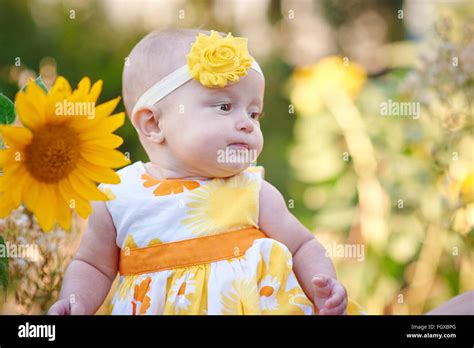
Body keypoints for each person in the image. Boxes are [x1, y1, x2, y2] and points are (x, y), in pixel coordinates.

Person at [48, 28, 364, 315]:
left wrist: (324, 286)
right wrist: (76, 303)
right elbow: (93, 265)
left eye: (254, 112)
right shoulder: (118, 196)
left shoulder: (254, 191)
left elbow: (301, 245)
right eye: (224, 106)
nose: (247, 123)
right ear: (154, 123)